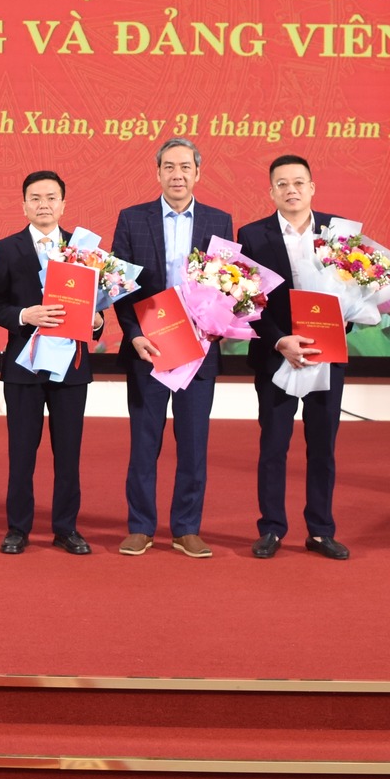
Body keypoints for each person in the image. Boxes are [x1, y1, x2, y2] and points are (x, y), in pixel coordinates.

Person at [110, 137, 235, 558]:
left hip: (198, 350)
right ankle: (140, 526)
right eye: (169, 167)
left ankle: (186, 528)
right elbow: (120, 286)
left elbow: (229, 284)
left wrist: (217, 326)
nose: (177, 175)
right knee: (144, 442)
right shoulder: (132, 219)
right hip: (149, 348)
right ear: (158, 173)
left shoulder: (219, 221)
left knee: (194, 443)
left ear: (198, 173)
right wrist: (133, 334)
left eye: (185, 167)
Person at [236, 154, 352, 561]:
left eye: (299, 182)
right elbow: (247, 300)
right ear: (271, 192)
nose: (291, 190)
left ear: (312, 188)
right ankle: (271, 528)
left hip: (327, 354)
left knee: (323, 446)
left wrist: (341, 324)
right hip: (276, 355)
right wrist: (280, 340)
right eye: (282, 184)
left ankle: (321, 530)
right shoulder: (252, 235)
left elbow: (356, 292)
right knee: (273, 445)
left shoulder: (339, 233)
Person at [0, 170, 100, 555]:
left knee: (68, 454)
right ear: (24, 205)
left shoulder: (83, 250)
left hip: (71, 366)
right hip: (24, 366)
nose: (43, 204)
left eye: (51, 198)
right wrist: (23, 315)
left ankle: (66, 528)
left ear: (63, 204)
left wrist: (97, 321)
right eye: (35, 198)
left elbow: (97, 305)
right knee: (21, 453)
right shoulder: (6, 248)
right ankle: (17, 528)